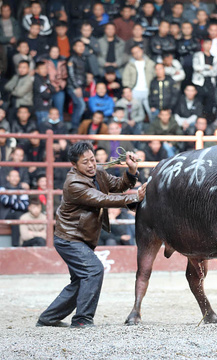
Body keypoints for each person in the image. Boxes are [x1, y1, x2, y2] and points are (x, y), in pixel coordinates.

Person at [36, 141, 146, 328]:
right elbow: (102, 199)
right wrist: (135, 197)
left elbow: (118, 185)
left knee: (81, 280)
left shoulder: (98, 173)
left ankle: (48, 318)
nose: (91, 165)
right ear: (75, 165)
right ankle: (82, 319)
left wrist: (131, 172)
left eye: (92, 160)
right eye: (85, 162)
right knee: (94, 270)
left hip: (81, 238)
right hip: (69, 239)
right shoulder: (74, 183)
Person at [121, 45, 156, 121]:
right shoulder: (130, 65)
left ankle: (152, 129)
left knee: (150, 111)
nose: (136, 54)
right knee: (135, 111)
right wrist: (128, 88)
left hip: (148, 90)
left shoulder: (150, 63)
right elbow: (125, 77)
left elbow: (155, 76)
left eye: (138, 51)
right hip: (135, 91)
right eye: (134, 53)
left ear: (142, 51)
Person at [192, 38, 217, 119]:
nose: (208, 46)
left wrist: (203, 70)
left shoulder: (215, 58)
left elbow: (215, 72)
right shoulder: (197, 55)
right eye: (206, 43)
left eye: (209, 44)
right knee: (199, 102)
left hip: (210, 83)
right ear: (202, 45)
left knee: (210, 103)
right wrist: (208, 67)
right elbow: (196, 67)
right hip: (199, 82)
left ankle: (208, 121)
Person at [0, 169, 29, 246]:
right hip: (5, 214)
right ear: (8, 178)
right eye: (12, 176)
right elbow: (5, 201)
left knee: (21, 215)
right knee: (17, 216)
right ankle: (15, 245)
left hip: (19, 214)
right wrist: (18, 201)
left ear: (19, 178)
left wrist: (12, 201)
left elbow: (25, 206)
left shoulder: (22, 189)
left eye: (17, 176)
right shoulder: (3, 188)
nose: (15, 178)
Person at [67, 40, 88, 131]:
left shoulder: (83, 58)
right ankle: (75, 127)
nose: (81, 48)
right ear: (74, 47)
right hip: (73, 87)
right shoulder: (72, 59)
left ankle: (76, 126)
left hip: (81, 86)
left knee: (78, 106)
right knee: (81, 105)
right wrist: (76, 87)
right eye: (78, 46)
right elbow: (71, 74)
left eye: (82, 46)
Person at [44, 46, 67, 121]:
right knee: (47, 111)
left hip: (59, 89)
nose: (55, 53)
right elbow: (43, 76)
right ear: (49, 52)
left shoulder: (62, 63)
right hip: (48, 89)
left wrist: (60, 87)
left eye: (56, 51)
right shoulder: (45, 62)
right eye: (53, 51)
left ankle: (60, 130)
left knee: (59, 111)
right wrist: (51, 87)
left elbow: (64, 77)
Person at [33, 61, 56, 127]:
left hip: (47, 107)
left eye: (45, 68)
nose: (45, 70)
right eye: (42, 68)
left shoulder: (46, 79)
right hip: (40, 108)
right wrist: (48, 92)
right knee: (42, 127)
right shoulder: (37, 79)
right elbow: (45, 95)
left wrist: (49, 90)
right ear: (37, 70)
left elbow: (53, 90)